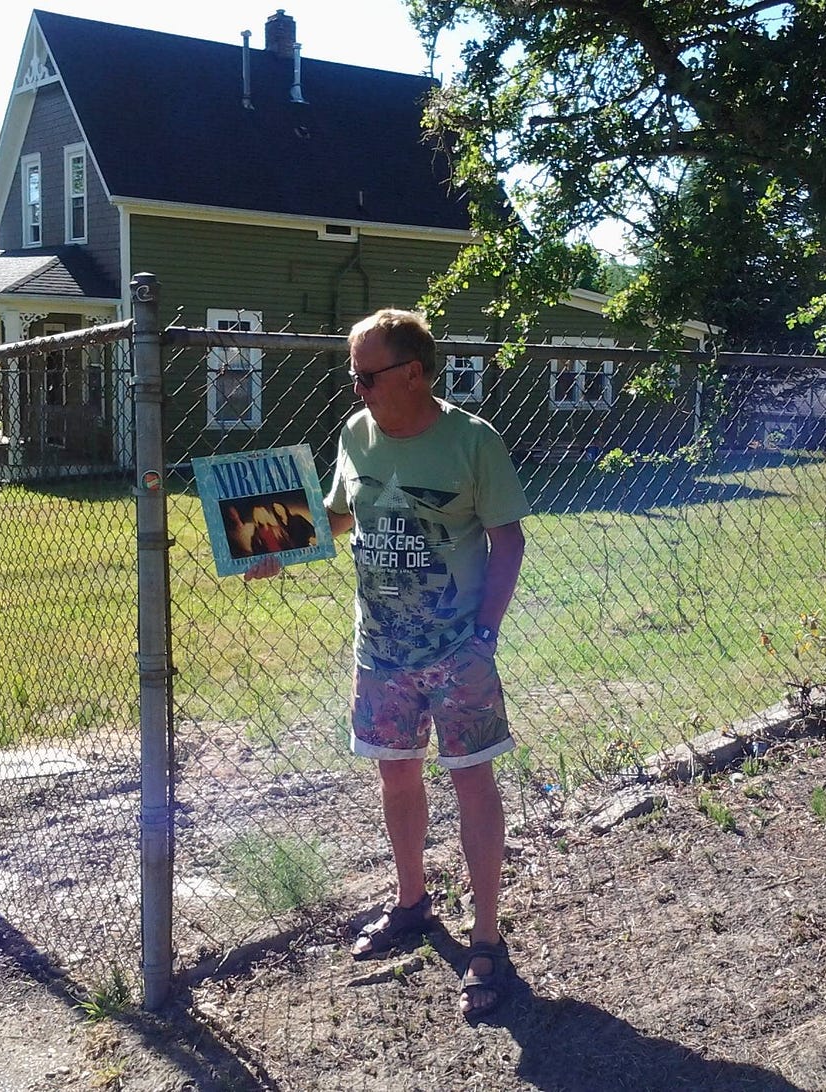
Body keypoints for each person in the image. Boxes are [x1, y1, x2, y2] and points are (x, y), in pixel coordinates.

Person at [245, 308, 528, 1021]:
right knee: (395, 773)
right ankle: (411, 905)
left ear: (412, 373)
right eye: (352, 376)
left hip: (457, 652)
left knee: (472, 781)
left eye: (365, 376)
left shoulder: (472, 441)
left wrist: (484, 635)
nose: (355, 389)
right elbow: (342, 514)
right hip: (381, 652)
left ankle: (487, 938)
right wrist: (274, 542)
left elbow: (507, 540)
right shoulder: (356, 434)